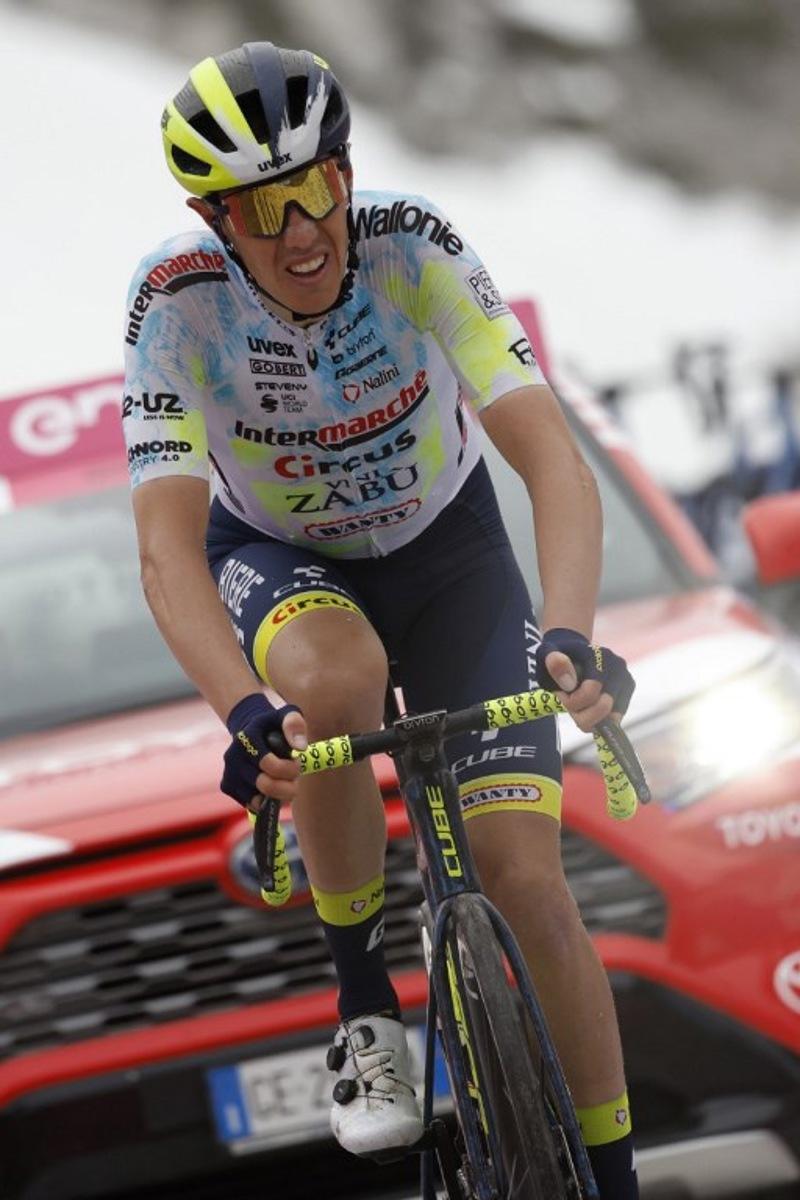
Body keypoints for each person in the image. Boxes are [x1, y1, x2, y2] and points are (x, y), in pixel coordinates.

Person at [123, 41, 639, 1198]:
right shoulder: (175, 303)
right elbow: (164, 550)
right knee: (333, 677)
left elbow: (548, 458)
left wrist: (568, 629)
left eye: (321, 185)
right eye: (265, 209)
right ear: (213, 218)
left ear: (350, 172)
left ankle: (614, 1181)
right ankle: (363, 1006)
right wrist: (245, 713)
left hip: (448, 553)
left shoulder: (415, 246)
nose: (304, 228)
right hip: (281, 557)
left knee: (526, 879)